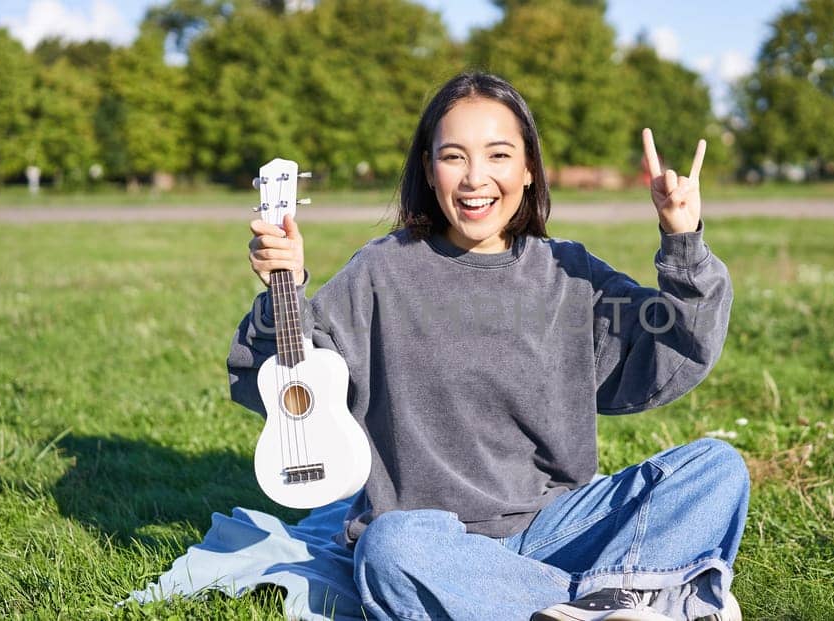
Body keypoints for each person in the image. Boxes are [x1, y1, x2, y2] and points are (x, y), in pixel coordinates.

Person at [228, 71, 746, 621]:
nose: (476, 179)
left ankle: (574, 601)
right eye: (453, 157)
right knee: (389, 550)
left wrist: (682, 241)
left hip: (559, 525)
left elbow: (673, 349)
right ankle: (633, 596)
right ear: (428, 170)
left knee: (717, 467)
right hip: (436, 542)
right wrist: (283, 290)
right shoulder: (381, 272)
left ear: (528, 170)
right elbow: (285, 385)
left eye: (499, 155)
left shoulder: (570, 274)